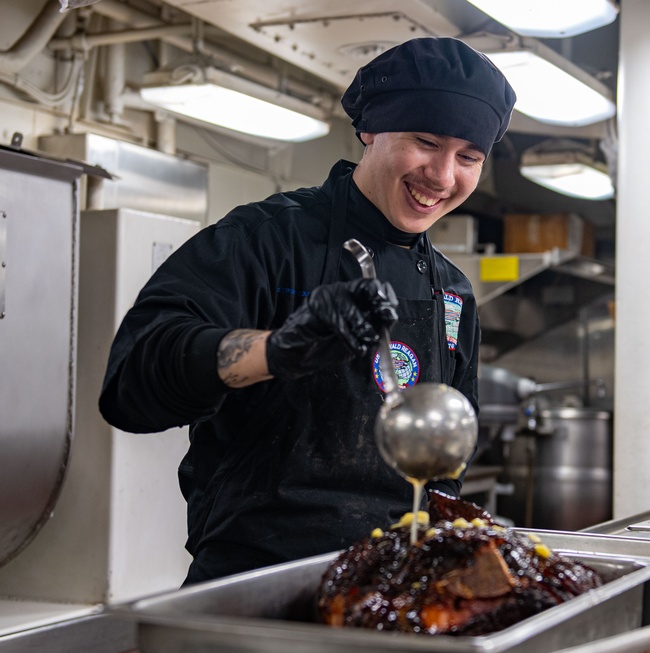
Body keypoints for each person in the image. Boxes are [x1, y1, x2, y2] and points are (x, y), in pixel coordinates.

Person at [98, 37, 517, 585]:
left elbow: (445, 477)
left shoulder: (453, 293)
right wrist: (277, 350)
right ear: (370, 130)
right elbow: (131, 384)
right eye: (425, 141)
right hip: (256, 586)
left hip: (389, 587)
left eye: (468, 158)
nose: (441, 175)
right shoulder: (264, 241)